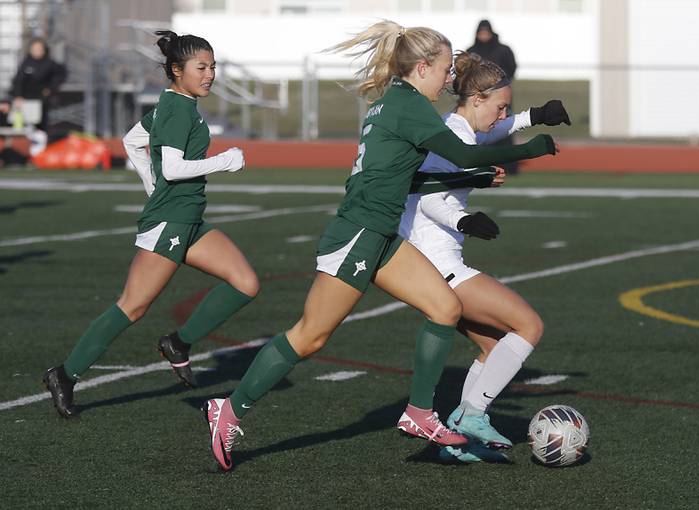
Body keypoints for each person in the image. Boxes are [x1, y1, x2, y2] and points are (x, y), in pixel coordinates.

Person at [201, 20, 559, 471]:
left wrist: (472, 179)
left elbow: (411, 178)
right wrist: (531, 149)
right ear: (423, 67)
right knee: (309, 337)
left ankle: (419, 412)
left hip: (382, 235)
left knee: (445, 309)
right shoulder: (409, 107)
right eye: (447, 69)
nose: (451, 78)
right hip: (357, 235)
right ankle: (228, 411)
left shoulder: (400, 103)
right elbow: (466, 153)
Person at [42, 31, 258, 419]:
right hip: (170, 221)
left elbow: (132, 140)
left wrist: (150, 183)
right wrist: (223, 161)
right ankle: (65, 374)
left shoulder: (177, 104)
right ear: (177, 70)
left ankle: (179, 343)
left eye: (213, 67)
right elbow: (173, 168)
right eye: (201, 67)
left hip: (188, 218)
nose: (210, 75)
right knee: (133, 306)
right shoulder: (177, 108)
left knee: (245, 283)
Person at [398, 51, 570, 463]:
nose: (502, 115)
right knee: (528, 325)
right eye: (500, 106)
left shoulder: (459, 128)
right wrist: (464, 221)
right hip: (437, 263)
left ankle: (459, 438)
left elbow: (493, 133)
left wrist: (535, 115)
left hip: (433, 260)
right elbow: (429, 197)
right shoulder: (454, 136)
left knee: (495, 347)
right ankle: (472, 414)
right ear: (476, 99)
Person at [467, 19, 523, 174]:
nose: (484, 36)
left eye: (486, 32)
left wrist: (498, 85)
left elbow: (511, 68)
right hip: (480, 99)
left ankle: (509, 166)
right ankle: (481, 164)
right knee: (480, 132)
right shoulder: (472, 51)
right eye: (481, 33)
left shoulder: (503, 50)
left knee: (505, 129)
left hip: (500, 97)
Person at [9, 37, 66, 142]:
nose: (37, 51)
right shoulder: (25, 63)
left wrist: (50, 88)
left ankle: (40, 146)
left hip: (41, 99)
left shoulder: (49, 63)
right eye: (35, 49)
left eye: (40, 49)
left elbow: (60, 75)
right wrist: (17, 95)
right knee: (23, 124)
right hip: (25, 99)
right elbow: (18, 81)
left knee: (41, 125)